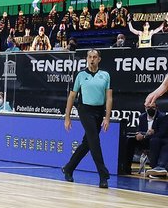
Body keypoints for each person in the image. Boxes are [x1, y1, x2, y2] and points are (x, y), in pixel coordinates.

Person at [62, 49, 112, 188]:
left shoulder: (105, 75)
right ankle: (103, 176)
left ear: (99, 59)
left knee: (87, 143)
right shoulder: (81, 75)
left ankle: (68, 168)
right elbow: (72, 97)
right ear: (86, 59)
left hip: (99, 111)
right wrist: (67, 117)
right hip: (85, 110)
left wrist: (107, 117)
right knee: (94, 141)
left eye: (94, 57)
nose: (92, 59)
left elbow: (109, 98)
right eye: (89, 57)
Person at [124, 103, 165, 175]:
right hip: (145, 139)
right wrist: (138, 134)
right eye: (148, 107)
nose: (150, 109)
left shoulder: (162, 117)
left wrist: (150, 134)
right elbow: (140, 130)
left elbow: (162, 133)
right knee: (130, 140)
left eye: (153, 107)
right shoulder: (142, 116)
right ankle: (126, 168)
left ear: (157, 108)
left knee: (154, 141)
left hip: (156, 140)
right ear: (145, 108)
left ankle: (154, 168)